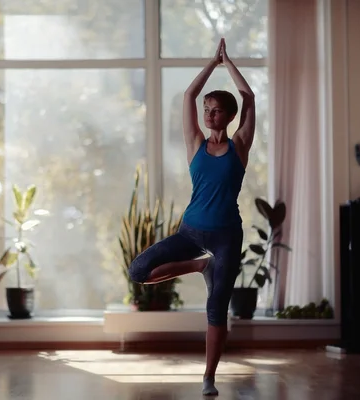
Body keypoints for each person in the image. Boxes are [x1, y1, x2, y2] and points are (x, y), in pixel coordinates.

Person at [127, 38, 256, 397]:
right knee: (139, 271)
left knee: (217, 308)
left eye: (216, 110)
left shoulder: (239, 146)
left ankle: (208, 378)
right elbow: (187, 95)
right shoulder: (195, 143)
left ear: (229, 117)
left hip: (227, 235)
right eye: (207, 108)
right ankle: (200, 266)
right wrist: (210, 64)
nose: (209, 114)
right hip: (191, 234)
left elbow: (249, 98)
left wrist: (228, 63)